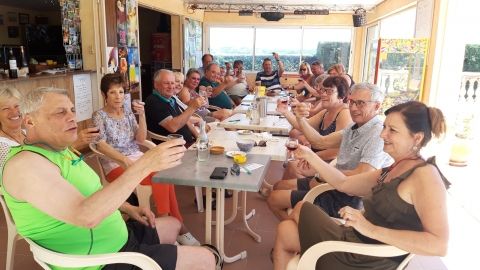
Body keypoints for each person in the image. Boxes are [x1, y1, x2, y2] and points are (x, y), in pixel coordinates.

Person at [1, 87, 215, 270]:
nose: (72, 117)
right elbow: (85, 216)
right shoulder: (25, 166)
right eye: (60, 112)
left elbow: (91, 191)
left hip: (118, 237)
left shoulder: (58, 150)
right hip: (101, 260)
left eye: (72, 110)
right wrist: (144, 165)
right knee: (208, 259)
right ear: (29, 120)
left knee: (174, 224)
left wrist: (127, 208)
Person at [273, 101, 450, 270]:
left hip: (366, 259)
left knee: (303, 207)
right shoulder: (394, 167)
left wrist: (371, 229)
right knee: (285, 229)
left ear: (417, 138)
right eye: (384, 127)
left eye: (392, 130)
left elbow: (438, 245)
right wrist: (311, 156)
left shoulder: (425, 176)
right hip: (357, 240)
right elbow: (344, 183)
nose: (382, 135)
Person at [93, 73, 200, 246]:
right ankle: (177, 227)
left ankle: (167, 222)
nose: (118, 96)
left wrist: (141, 115)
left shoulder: (128, 113)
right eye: (113, 92)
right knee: (158, 178)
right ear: (105, 95)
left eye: (121, 92)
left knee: (163, 174)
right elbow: (101, 145)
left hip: (136, 158)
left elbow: (141, 139)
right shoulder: (99, 116)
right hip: (115, 164)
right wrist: (125, 161)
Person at [268, 83, 393, 220]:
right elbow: (320, 142)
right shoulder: (353, 126)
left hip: (348, 198)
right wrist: (299, 118)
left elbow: (362, 175)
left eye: (360, 103)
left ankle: (299, 229)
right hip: (332, 182)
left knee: (274, 199)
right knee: (279, 186)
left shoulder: (377, 133)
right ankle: (298, 228)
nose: (353, 108)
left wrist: (320, 172)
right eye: (351, 102)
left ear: (377, 106)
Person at [0, 86, 99, 167]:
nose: (14, 112)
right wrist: (75, 144)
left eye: (17, 106)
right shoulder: (2, 147)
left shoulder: (27, 132)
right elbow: (34, 168)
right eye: (5, 108)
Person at [145, 69, 205, 146]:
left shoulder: (171, 99)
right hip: (172, 147)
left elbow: (185, 120)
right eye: (166, 83)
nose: (171, 86)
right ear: (156, 84)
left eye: (173, 83)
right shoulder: (153, 101)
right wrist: (192, 108)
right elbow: (173, 127)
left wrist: (198, 137)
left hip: (188, 143)